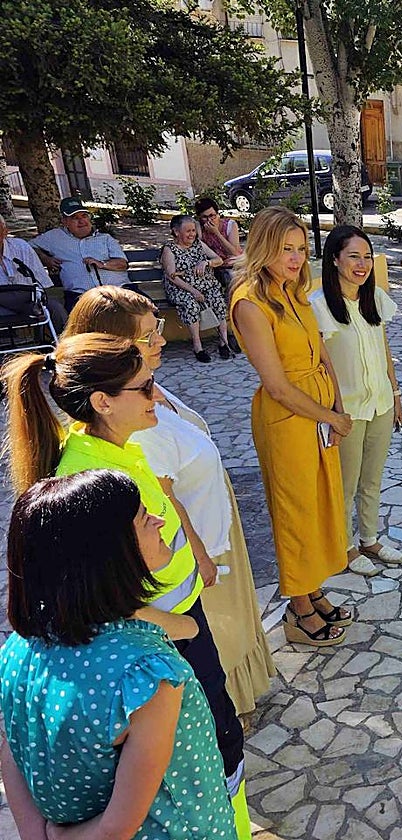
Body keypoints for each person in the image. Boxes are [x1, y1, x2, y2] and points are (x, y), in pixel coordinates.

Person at [1, 334, 251, 837]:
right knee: (214, 743)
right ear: (102, 401)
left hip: (165, 620)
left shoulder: (115, 454)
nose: (159, 396)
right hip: (153, 631)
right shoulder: (94, 479)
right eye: (146, 385)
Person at [63, 285, 276, 718]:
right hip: (190, 554)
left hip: (208, 529)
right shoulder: (129, 424)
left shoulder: (144, 393)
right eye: (147, 335)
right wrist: (198, 552)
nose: (160, 340)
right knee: (212, 649)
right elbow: (164, 495)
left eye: (156, 328)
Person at [0, 470, 237, 839]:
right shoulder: (145, 675)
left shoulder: (18, 650)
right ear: (110, 553)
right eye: (145, 518)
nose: (159, 520)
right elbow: (116, 827)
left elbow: (12, 747)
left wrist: (36, 832)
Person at [230, 206, 353, 648]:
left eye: (301, 249)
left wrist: (338, 405)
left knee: (320, 504)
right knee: (295, 511)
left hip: (319, 412)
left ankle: (313, 587)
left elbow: (321, 353)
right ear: (264, 247)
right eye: (286, 249)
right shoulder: (250, 302)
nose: (296, 258)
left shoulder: (296, 291)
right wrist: (330, 416)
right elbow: (277, 387)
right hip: (288, 419)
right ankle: (298, 608)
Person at [311, 225, 402, 577]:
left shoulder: (376, 299)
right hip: (346, 413)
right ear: (334, 259)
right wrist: (333, 413)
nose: (362, 264)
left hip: (380, 403)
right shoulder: (318, 308)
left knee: (372, 478)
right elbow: (320, 366)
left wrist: (395, 394)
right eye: (353, 256)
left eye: (367, 257)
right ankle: (345, 546)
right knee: (345, 484)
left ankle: (370, 538)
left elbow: (384, 350)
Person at [31, 197, 128, 310]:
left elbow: (123, 264)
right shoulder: (54, 237)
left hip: (119, 290)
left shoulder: (105, 239)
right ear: (65, 222)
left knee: (148, 310)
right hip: (80, 296)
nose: (81, 221)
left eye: (84, 216)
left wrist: (102, 264)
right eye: (75, 218)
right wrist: (45, 259)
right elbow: (27, 247)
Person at [161, 214, 235, 362]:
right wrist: (193, 291)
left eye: (193, 230)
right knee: (191, 304)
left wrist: (206, 263)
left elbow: (219, 260)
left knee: (218, 300)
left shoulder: (199, 244)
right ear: (176, 232)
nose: (192, 234)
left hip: (206, 285)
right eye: (188, 231)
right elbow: (171, 276)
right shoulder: (169, 249)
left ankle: (223, 343)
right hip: (181, 288)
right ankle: (198, 346)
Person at [0, 214, 67, 330]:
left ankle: (65, 344)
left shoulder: (21, 247)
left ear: (5, 231)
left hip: (28, 299)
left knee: (55, 308)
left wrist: (38, 304)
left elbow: (41, 282)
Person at [195, 197, 243, 293]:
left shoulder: (230, 225)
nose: (209, 220)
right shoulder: (199, 226)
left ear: (218, 214)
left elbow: (235, 252)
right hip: (213, 266)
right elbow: (197, 247)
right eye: (204, 217)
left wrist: (217, 233)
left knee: (234, 279)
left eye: (212, 215)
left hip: (232, 265)